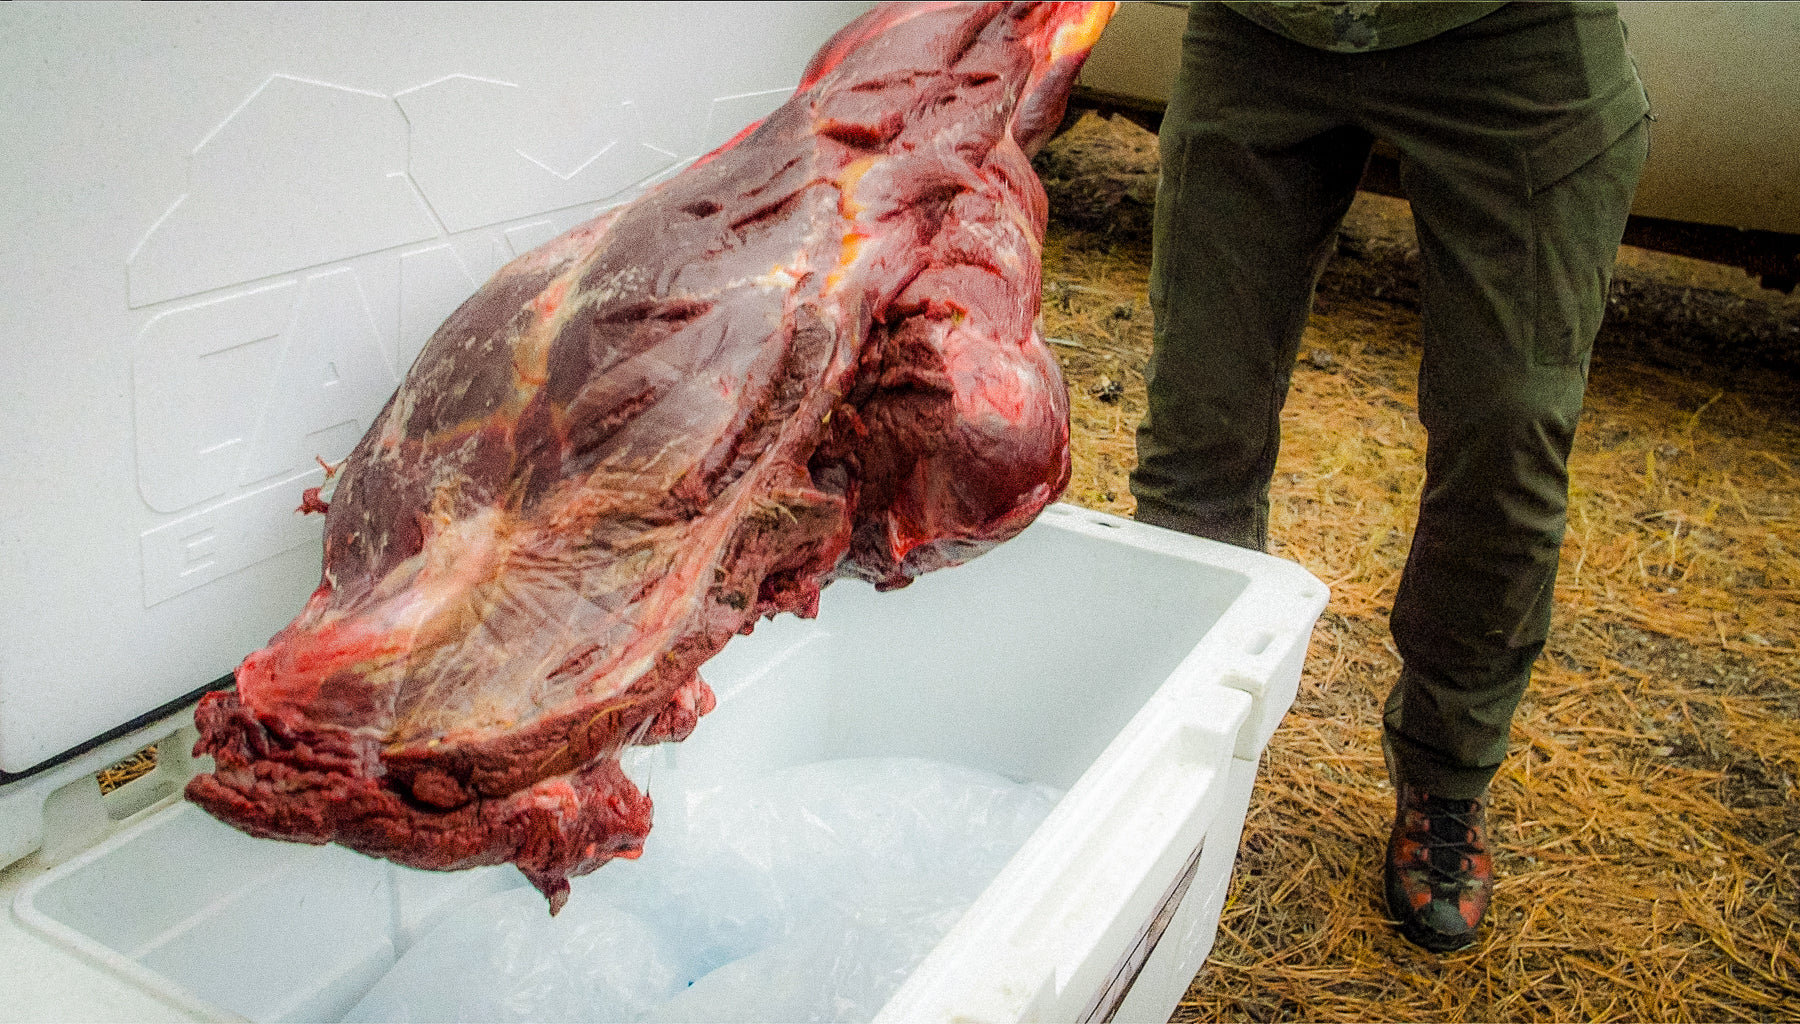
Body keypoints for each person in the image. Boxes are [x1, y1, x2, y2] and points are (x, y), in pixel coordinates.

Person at [1129, 1, 1649, 952]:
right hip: (1263, 27)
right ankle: (1170, 756)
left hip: (1508, 39)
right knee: (1201, 423)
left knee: (1507, 430)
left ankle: (1447, 776)